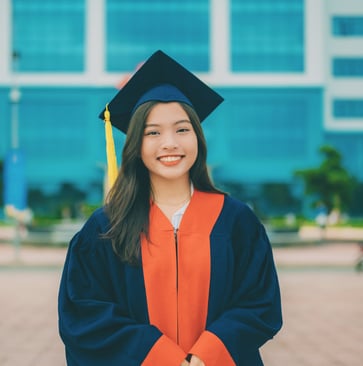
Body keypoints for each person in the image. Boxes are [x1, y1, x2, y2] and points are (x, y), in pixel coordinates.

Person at [58, 50, 282, 366]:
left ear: (198, 138)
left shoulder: (236, 221)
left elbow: (259, 303)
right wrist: (161, 357)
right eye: (153, 132)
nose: (170, 143)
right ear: (135, 144)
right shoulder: (106, 227)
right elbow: (84, 313)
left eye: (181, 129)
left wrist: (206, 355)